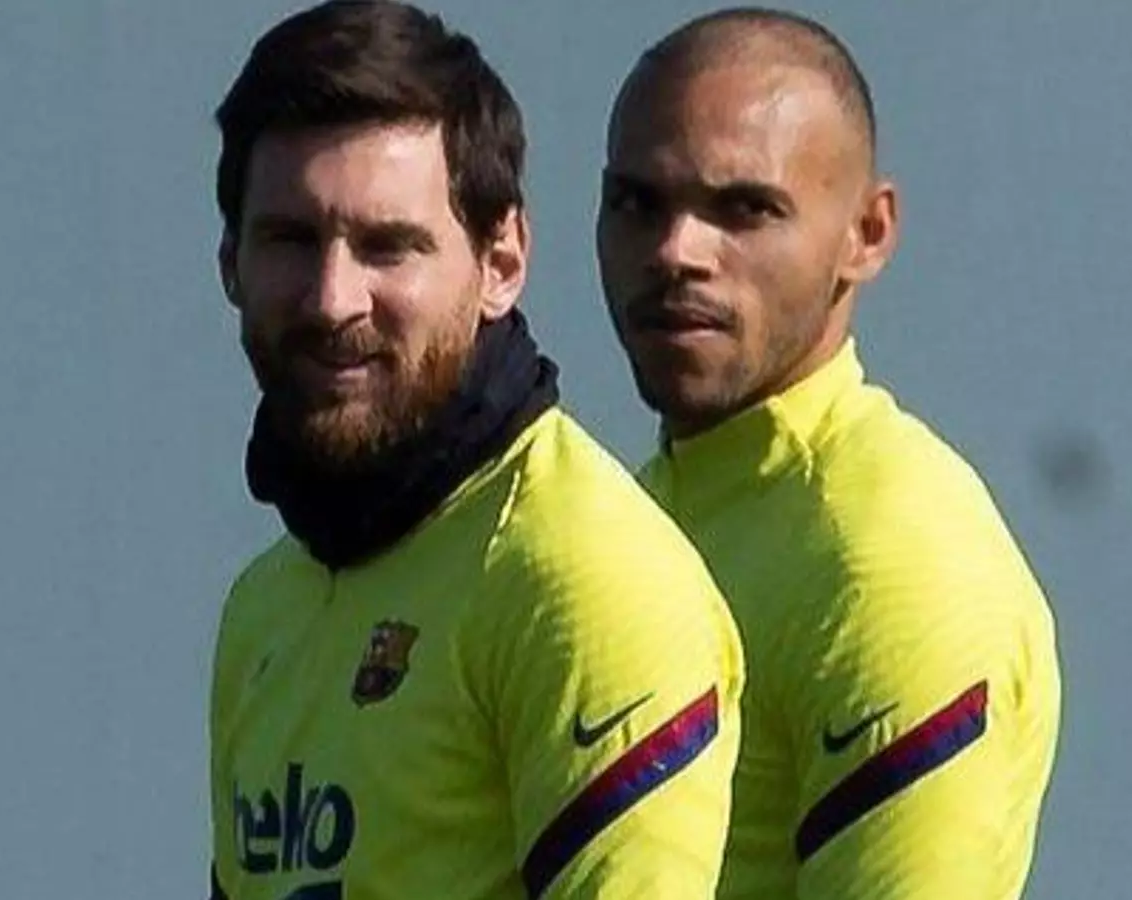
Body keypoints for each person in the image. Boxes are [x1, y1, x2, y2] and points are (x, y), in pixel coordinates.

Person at [207, 3, 745, 898]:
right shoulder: (265, 605)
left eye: (389, 247)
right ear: (230, 261)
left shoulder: (583, 579)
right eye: (290, 240)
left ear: (501, 263)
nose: (333, 299)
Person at [594, 7, 1061, 898]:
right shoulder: (626, 514)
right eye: (637, 204)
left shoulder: (891, 563)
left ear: (868, 233)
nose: (675, 251)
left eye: (745, 209)